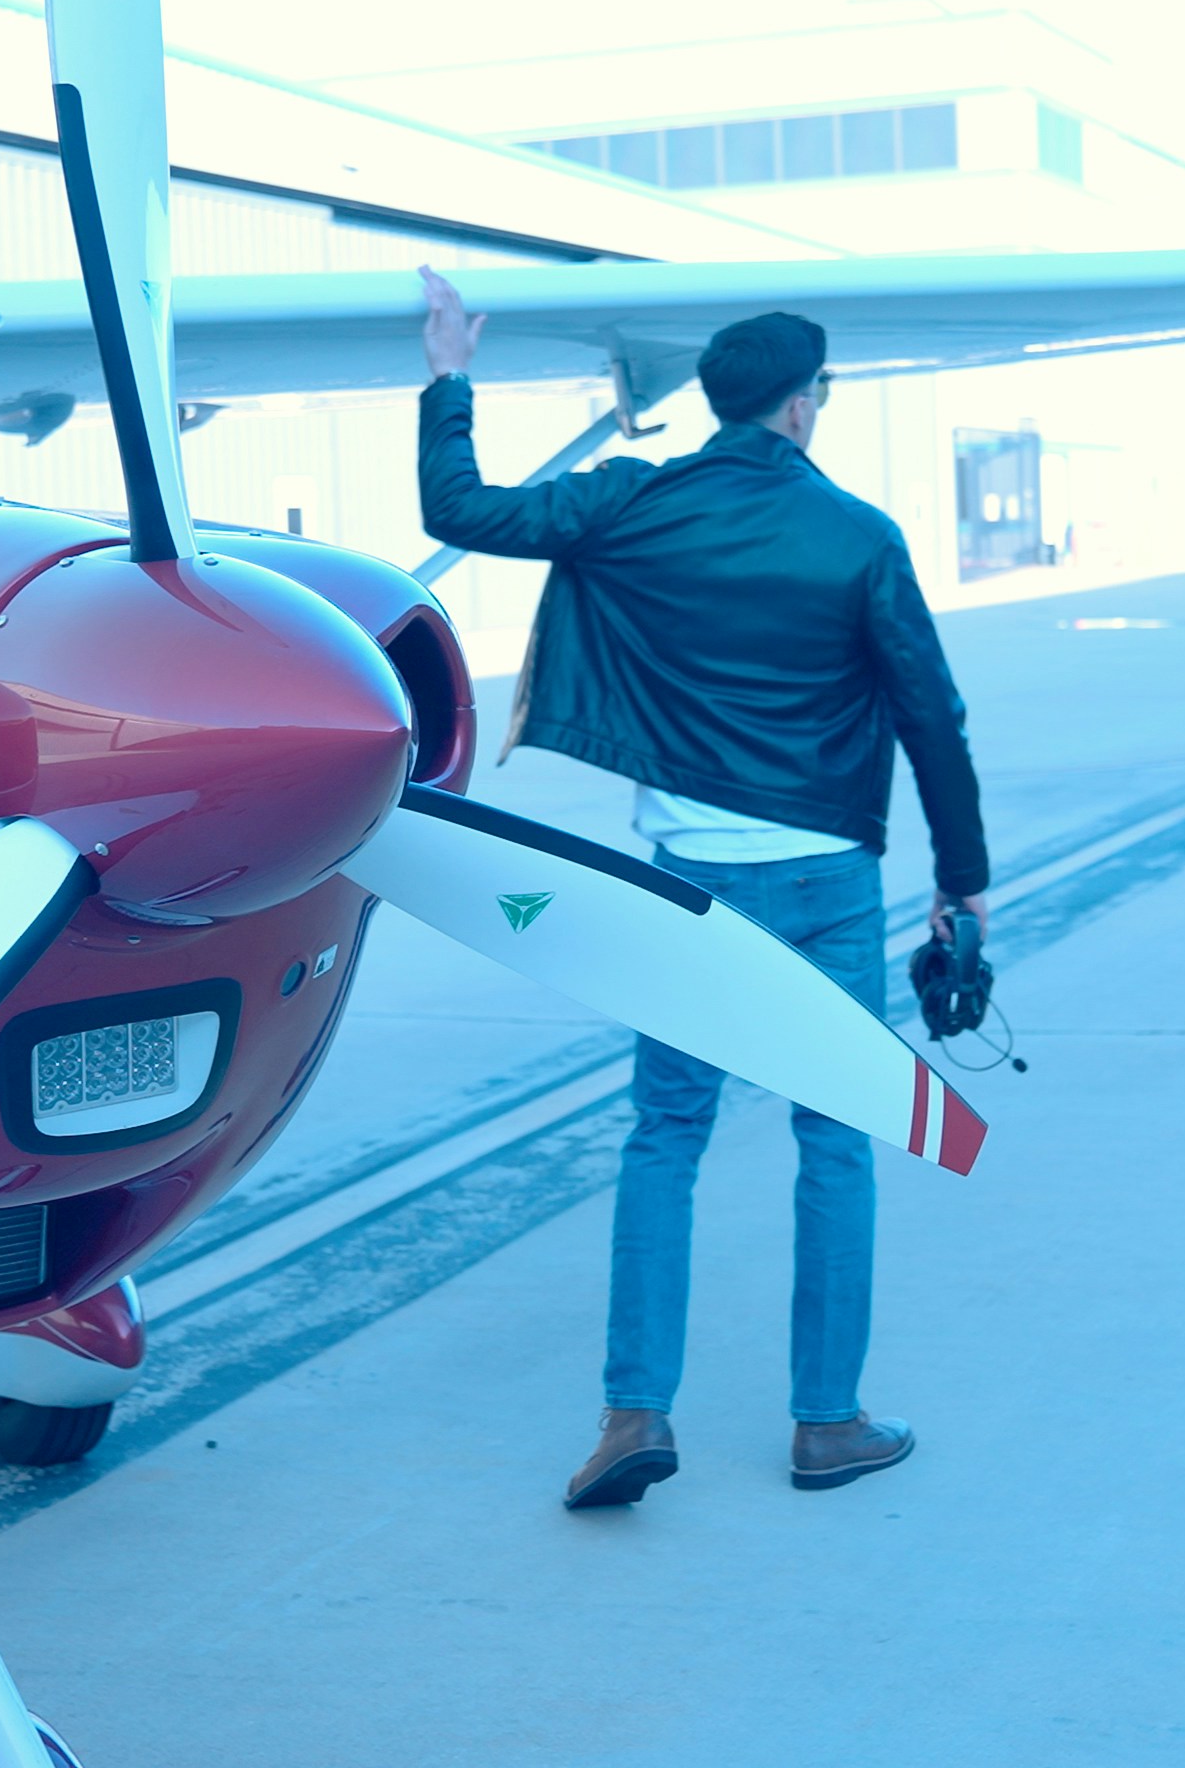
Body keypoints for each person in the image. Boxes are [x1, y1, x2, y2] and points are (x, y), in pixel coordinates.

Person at [413, 268, 992, 1509]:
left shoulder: (631, 503)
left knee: (664, 1136)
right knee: (834, 1136)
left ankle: (633, 1416)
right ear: (799, 406)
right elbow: (931, 717)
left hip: (685, 889)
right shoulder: (859, 538)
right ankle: (826, 1425)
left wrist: (451, 373)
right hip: (827, 882)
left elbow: (456, 509)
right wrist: (965, 883)